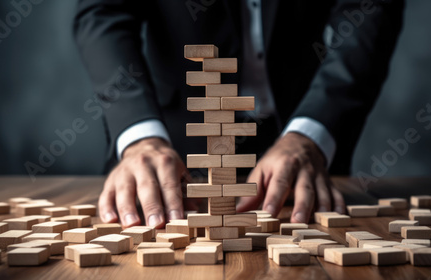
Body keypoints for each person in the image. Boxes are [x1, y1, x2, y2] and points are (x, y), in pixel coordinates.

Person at [73, 0, 404, 228]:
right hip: (175, 150)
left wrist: (311, 133)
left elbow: (370, 8)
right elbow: (102, 11)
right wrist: (139, 135)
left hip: (301, 137)